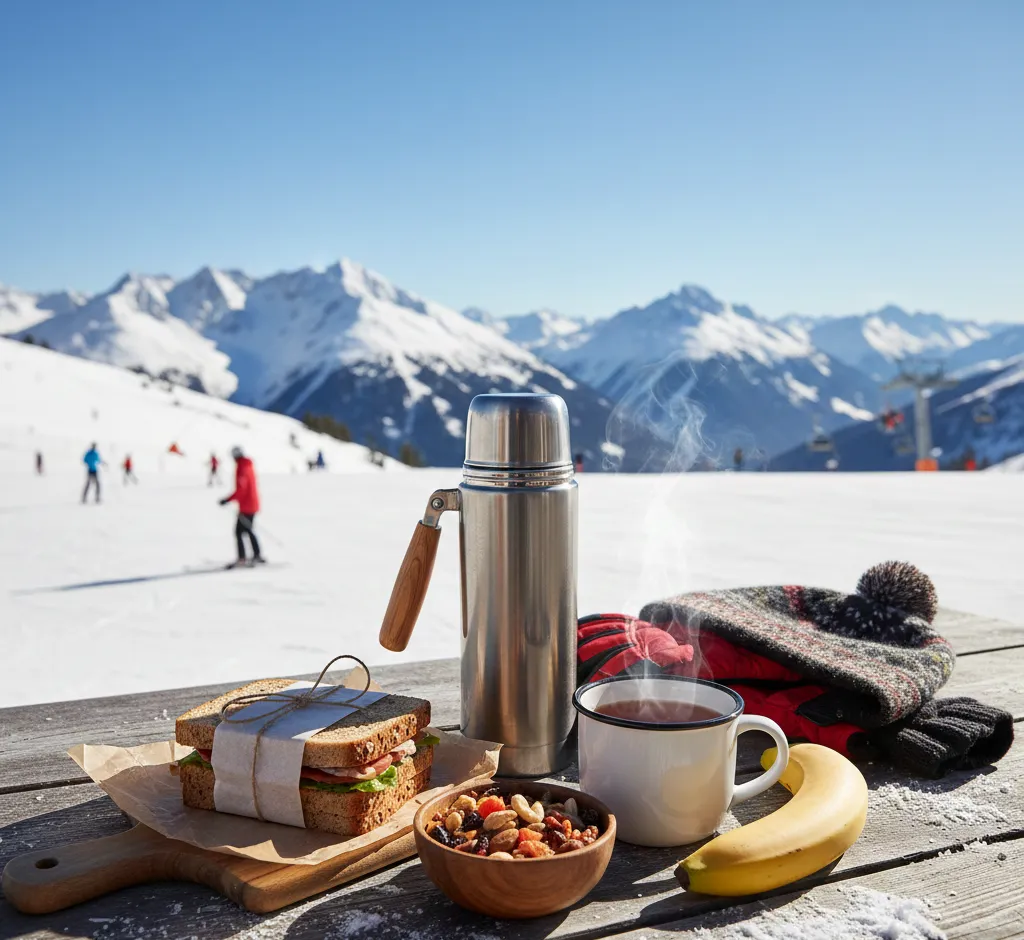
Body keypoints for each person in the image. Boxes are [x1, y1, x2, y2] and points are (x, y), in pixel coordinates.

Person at [219, 446, 264, 567]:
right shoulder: (247, 465)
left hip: (247, 505)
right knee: (247, 530)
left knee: (240, 531)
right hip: (251, 503)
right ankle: (256, 555)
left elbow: (241, 489)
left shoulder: (242, 467)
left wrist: (227, 499)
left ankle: (243, 558)